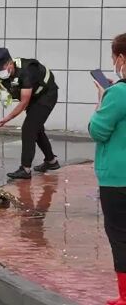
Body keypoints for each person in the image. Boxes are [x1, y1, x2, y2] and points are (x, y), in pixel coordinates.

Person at [0, 47, 59, 179]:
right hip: (33, 96)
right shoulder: (1, 76)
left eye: (1, 68)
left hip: (46, 95)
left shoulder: (26, 71)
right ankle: (51, 161)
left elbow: (24, 103)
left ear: (9, 63)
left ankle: (25, 169)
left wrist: (6, 119)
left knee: (28, 129)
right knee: (36, 129)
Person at [89, 33, 126, 305]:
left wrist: (102, 99)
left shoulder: (119, 93)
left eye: (114, 58)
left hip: (118, 177)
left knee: (120, 235)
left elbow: (98, 131)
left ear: (122, 59)